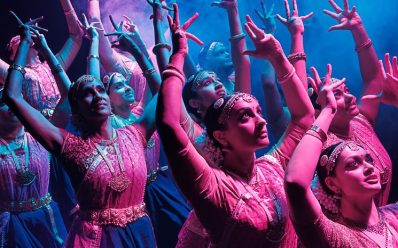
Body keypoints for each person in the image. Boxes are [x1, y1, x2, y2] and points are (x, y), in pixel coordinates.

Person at [157, 4, 314, 247]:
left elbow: (303, 117)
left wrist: (235, 11)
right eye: (207, 82)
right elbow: (169, 122)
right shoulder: (200, 149)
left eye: (257, 113)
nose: (260, 120)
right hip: (218, 210)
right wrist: (175, 53)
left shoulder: (268, 166)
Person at [3, 15, 157, 247]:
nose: (97, 95)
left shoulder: (135, 133)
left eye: (100, 89)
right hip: (96, 240)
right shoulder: (72, 146)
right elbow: (13, 96)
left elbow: (163, 93)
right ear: (75, 108)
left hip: (140, 234)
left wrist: (137, 51)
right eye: (87, 93)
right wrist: (25, 43)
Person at [284, 64, 398, 247]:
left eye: (368, 159)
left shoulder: (393, 217)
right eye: (353, 164)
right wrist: (328, 110)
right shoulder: (337, 238)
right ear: (332, 184)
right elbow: (295, 184)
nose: (369, 167)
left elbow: (372, 77)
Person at [308, 0, 392, 206]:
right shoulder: (318, 144)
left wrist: (358, 29)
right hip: (348, 231)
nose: (350, 97)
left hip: (383, 223)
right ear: (319, 108)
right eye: (337, 94)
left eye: (347, 91)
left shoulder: (361, 122)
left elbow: (373, 79)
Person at [0, 0, 82, 119]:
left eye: (29, 34)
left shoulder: (52, 65)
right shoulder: (14, 75)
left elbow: (76, 36)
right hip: (41, 132)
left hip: (70, 123)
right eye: (18, 39)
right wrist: (25, 41)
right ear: (12, 56)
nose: (27, 35)